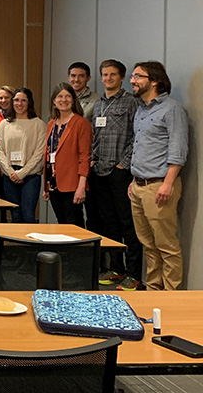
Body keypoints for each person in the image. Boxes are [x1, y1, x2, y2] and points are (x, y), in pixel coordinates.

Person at [129, 61, 188, 291]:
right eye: (133, 76)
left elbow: (178, 149)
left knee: (167, 246)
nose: (132, 80)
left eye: (138, 76)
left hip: (159, 186)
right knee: (148, 246)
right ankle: (154, 291)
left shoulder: (171, 109)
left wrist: (168, 183)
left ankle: (171, 295)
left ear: (155, 81)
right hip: (138, 186)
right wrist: (134, 182)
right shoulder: (141, 110)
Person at [91, 59, 141, 291]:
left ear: (122, 78)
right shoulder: (99, 105)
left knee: (127, 223)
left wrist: (123, 165)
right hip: (99, 171)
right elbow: (95, 136)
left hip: (120, 172)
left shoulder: (131, 102)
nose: (108, 78)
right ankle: (116, 269)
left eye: (113, 75)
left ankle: (133, 274)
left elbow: (136, 136)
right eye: (105, 75)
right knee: (109, 223)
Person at [43, 83, 92, 228]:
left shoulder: (81, 123)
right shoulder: (51, 124)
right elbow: (49, 154)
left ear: (73, 100)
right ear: (54, 101)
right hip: (53, 183)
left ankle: (80, 251)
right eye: (60, 97)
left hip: (72, 184)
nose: (63, 100)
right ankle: (65, 251)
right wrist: (45, 186)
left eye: (67, 96)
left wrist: (81, 186)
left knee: (74, 223)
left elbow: (85, 157)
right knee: (61, 223)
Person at [0, 88, 46, 223]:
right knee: (15, 214)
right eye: (16, 100)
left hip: (30, 176)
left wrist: (22, 173)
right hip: (9, 175)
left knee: (28, 214)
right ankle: (15, 244)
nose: (19, 103)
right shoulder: (4, 124)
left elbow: (39, 152)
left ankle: (29, 244)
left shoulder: (38, 124)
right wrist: (11, 172)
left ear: (30, 103)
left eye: (24, 100)